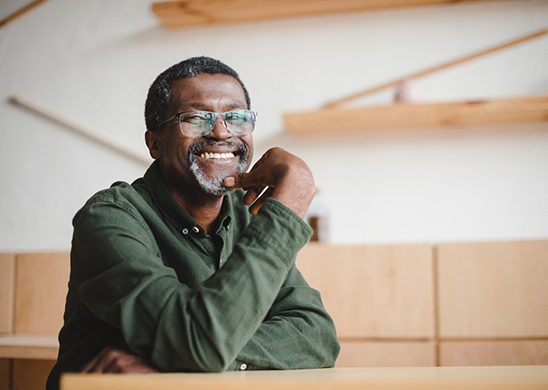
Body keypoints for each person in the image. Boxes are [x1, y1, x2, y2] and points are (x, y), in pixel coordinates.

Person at [46, 56, 340, 389]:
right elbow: (199, 344)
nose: (220, 132)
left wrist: (185, 360)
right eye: (196, 118)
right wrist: (287, 205)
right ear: (154, 143)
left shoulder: (247, 215)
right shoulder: (109, 217)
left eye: (236, 117)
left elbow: (317, 336)